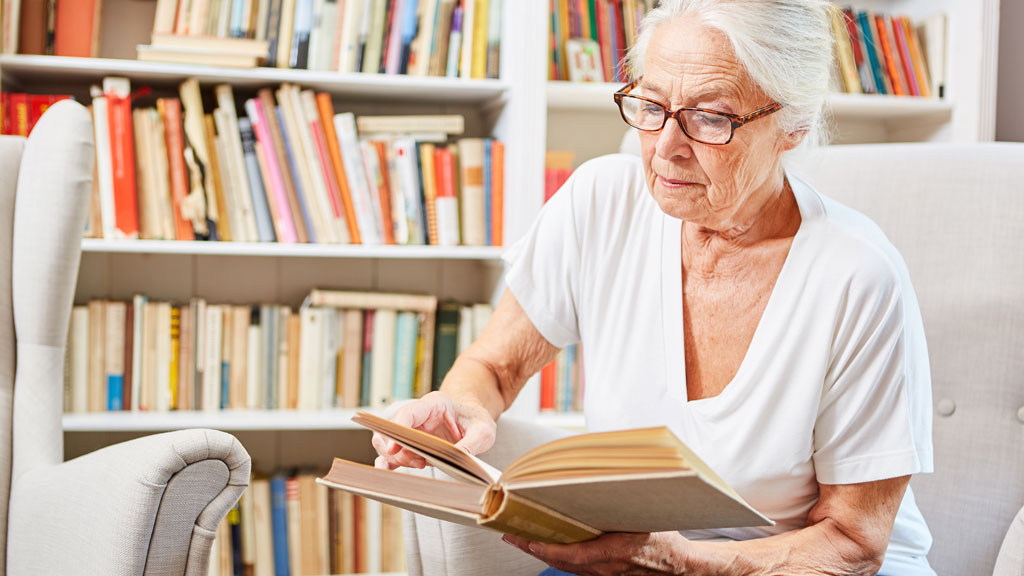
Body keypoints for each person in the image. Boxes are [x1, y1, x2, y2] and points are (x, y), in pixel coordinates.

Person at [373, 1, 935, 574]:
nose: (666, 146)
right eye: (650, 105)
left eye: (711, 118)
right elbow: (494, 366)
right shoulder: (600, 201)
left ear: (792, 125)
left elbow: (854, 543)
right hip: (637, 558)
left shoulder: (857, 276)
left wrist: (684, 562)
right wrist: (460, 407)